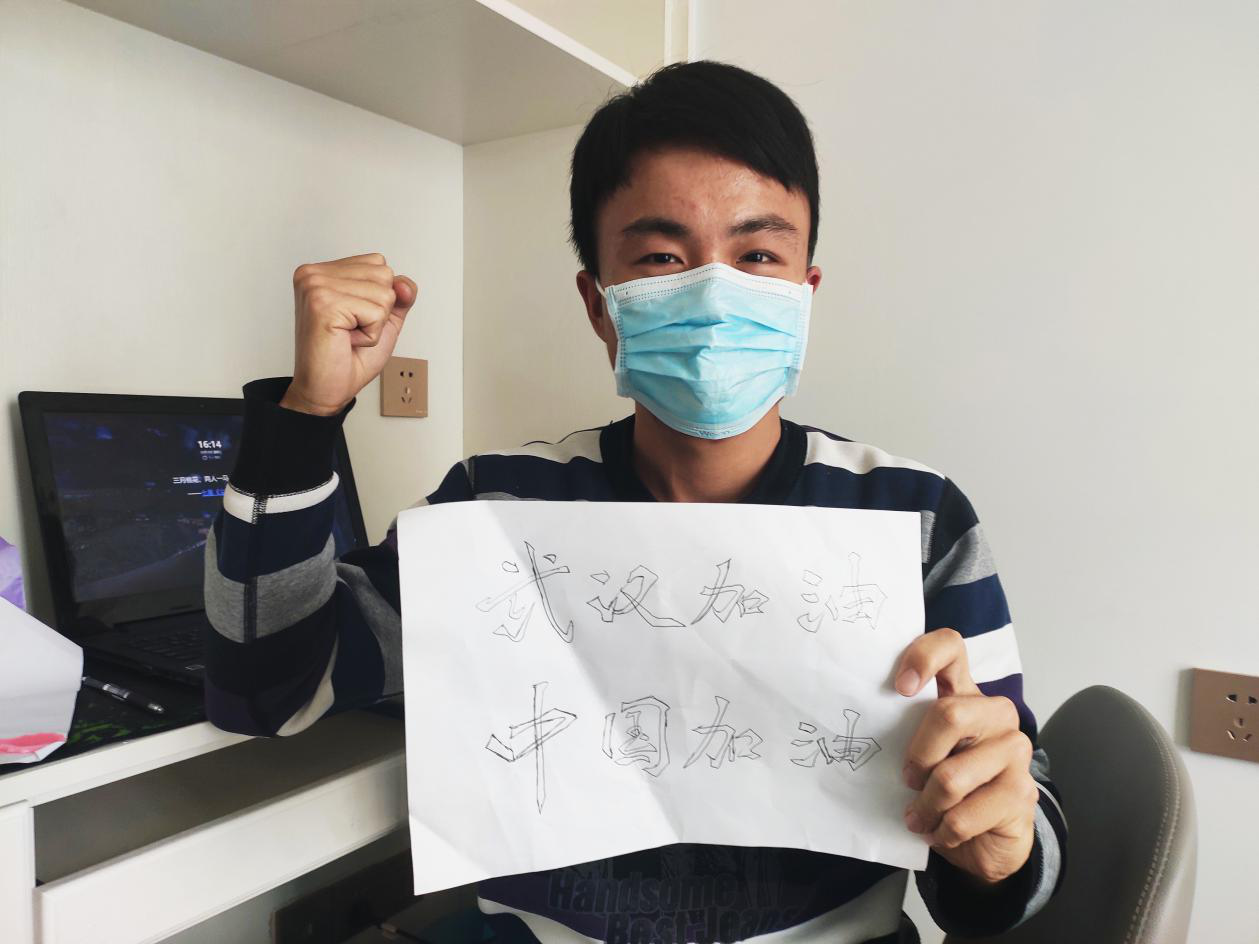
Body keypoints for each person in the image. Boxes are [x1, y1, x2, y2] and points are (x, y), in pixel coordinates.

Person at [204, 60, 1066, 944]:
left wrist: (998, 846)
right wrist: (305, 417)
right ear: (599, 304)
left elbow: (1002, 848)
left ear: (803, 294)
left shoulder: (914, 519)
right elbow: (267, 688)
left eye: (757, 255)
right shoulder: (495, 511)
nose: (714, 293)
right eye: (661, 258)